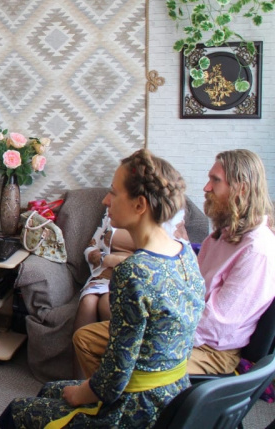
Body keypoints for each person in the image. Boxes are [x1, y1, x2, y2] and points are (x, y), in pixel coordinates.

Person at [0, 149, 205, 428]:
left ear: (140, 205)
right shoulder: (184, 253)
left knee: (15, 412)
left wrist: (79, 394)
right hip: (177, 397)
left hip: (138, 408)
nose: (106, 200)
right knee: (50, 390)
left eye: (113, 193)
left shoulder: (134, 272)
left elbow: (114, 376)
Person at [74, 149, 275, 378]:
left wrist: (155, 332)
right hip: (180, 325)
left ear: (242, 189)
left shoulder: (257, 250)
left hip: (209, 349)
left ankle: (114, 395)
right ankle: (104, 393)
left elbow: (216, 326)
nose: (206, 187)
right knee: (85, 339)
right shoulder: (220, 236)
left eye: (215, 180)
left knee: (125, 360)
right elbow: (187, 291)